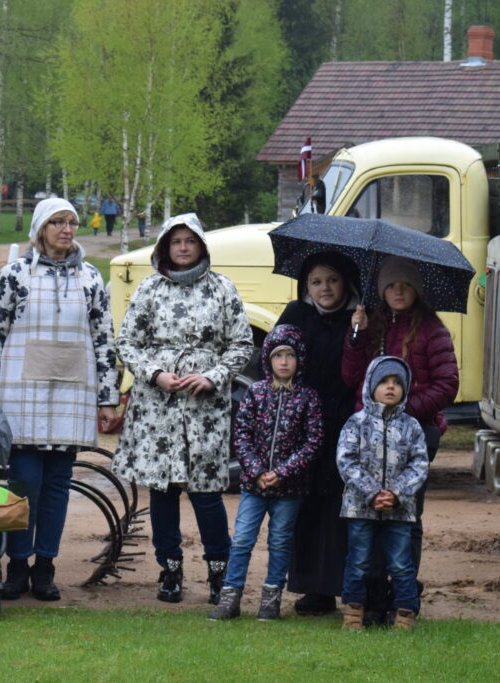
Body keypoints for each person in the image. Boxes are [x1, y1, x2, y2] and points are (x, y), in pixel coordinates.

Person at [0, 197, 119, 601]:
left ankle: (45, 566)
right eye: (57, 222)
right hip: (21, 393)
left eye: (71, 222)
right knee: (24, 482)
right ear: (40, 228)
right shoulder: (14, 275)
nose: (66, 229)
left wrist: (107, 398)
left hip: (71, 393)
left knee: (57, 484)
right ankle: (17, 564)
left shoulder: (90, 277)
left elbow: (104, 339)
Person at [112, 213, 253, 604]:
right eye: (176, 242)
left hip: (205, 408)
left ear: (202, 245)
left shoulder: (222, 288)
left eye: (190, 241)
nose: (184, 247)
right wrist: (155, 374)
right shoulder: (149, 289)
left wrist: (212, 376)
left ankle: (219, 573)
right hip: (157, 406)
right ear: (165, 247)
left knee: (206, 492)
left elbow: (242, 344)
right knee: (163, 490)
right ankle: (169, 571)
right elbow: (126, 343)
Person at [341, 255, 458, 623]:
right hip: (369, 431)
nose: (398, 291)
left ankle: (405, 595)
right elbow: (351, 377)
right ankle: (372, 595)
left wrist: (406, 411)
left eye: (405, 285)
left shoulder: (432, 330)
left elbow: (447, 384)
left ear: (416, 290)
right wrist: (356, 336)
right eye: (391, 285)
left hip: (416, 430)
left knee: (407, 516)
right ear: (381, 290)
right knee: (370, 515)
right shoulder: (371, 326)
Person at [208, 324, 322, 621]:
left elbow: (312, 442)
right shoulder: (255, 393)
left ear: (300, 360)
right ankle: (230, 597)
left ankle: (271, 599)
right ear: (268, 359)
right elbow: (241, 435)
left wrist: (283, 472)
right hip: (253, 486)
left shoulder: (308, 397)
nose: (284, 362)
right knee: (242, 539)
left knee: (280, 542)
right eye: (277, 355)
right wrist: (257, 471)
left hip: (289, 489)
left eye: (290, 355)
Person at [277, 253, 361, 616]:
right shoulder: (296, 314)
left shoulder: (359, 317)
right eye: (316, 281)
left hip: (345, 420)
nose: (324, 288)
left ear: (346, 283)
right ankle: (312, 589)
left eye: (332, 280)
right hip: (302, 422)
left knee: (339, 505)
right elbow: (276, 359)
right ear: (306, 286)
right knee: (304, 505)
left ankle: (345, 585)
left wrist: (358, 332)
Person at [337, 356, 428, 631]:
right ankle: (353, 611)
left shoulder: (412, 426)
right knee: (358, 561)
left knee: (401, 564)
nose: (390, 387)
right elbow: (346, 460)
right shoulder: (356, 423)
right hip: (360, 507)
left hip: (400, 510)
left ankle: (405, 612)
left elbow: (419, 464)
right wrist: (372, 493)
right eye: (384, 382)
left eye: (397, 383)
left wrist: (397, 494)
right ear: (370, 386)